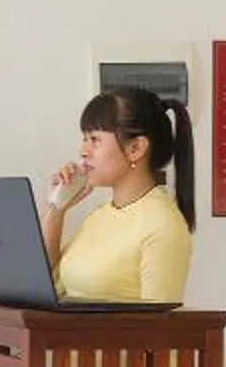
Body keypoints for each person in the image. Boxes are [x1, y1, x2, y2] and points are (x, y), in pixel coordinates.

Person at [40, 85, 196, 304]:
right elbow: (46, 289)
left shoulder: (162, 225)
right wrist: (55, 209)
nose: (82, 151)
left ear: (135, 149)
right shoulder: (101, 216)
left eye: (95, 139)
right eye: (84, 138)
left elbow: (160, 329)